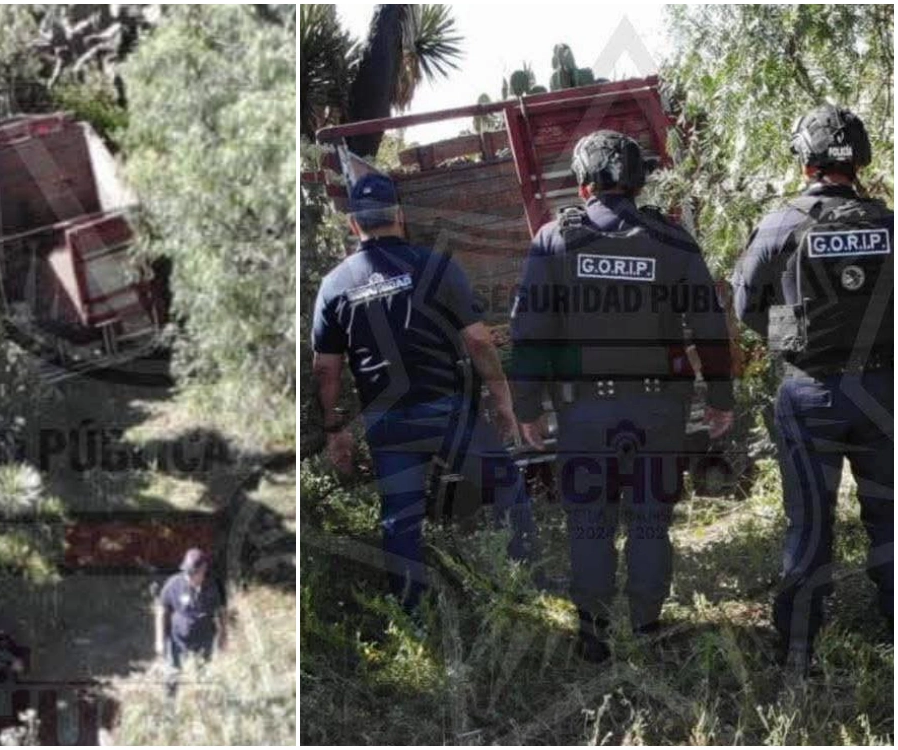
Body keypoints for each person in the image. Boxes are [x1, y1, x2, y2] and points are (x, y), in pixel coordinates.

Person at [510, 130, 735, 662]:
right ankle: (648, 626)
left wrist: (526, 409)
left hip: (585, 415)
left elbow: (528, 332)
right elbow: (709, 325)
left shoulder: (553, 240)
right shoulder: (673, 239)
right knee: (650, 520)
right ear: (637, 180)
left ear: (584, 182)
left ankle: (594, 635)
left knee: (590, 522)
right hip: (659, 411)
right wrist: (721, 397)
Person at [310, 171, 534, 613]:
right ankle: (521, 587)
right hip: (449, 411)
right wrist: (504, 400)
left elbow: (325, 369)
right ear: (400, 216)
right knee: (508, 490)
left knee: (401, 520)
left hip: (388, 422)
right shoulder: (436, 266)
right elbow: (478, 341)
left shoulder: (334, 285)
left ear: (354, 225)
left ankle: (412, 616)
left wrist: (335, 428)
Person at [732, 105, 893, 674]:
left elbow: (746, 304)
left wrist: (793, 336)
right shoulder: (888, 223)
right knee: (889, 513)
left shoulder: (782, 224)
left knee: (810, 521)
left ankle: (799, 648)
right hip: (882, 392)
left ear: (806, 161)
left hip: (811, 393)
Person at [154, 548, 226, 694]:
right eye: (186, 572)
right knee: (172, 675)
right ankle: (169, 708)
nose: (188, 576)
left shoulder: (213, 587)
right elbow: (161, 611)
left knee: (203, 675)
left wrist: (223, 637)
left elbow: (220, 612)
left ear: (203, 570)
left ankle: (203, 704)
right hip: (177, 639)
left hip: (204, 638)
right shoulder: (174, 584)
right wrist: (159, 640)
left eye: (193, 572)